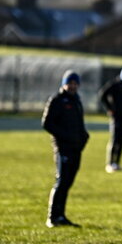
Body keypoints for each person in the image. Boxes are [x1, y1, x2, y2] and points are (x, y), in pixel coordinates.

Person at [42, 70, 90, 227]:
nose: (73, 86)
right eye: (70, 83)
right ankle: (52, 217)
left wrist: (83, 137)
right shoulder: (57, 100)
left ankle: (61, 215)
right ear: (64, 83)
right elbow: (47, 123)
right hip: (63, 148)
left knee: (68, 182)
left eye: (75, 83)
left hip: (76, 149)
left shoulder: (77, 100)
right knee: (61, 181)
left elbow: (79, 123)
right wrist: (64, 137)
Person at [98, 64, 122, 172]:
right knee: (114, 140)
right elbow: (102, 95)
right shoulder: (115, 85)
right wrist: (110, 109)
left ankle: (117, 163)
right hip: (116, 117)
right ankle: (110, 163)